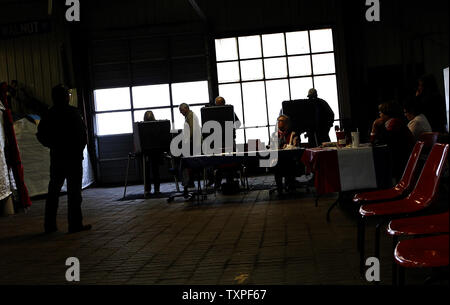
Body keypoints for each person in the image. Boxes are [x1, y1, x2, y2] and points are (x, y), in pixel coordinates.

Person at [36, 84, 91, 234]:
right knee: (74, 193)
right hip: (73, 158)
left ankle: (50, 226)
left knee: (53, 192)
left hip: (57, 157)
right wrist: (78, 150)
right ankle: (75, 225)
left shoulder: (49, 114)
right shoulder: (73, 113)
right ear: (66, 96)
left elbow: (40, 135)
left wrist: (53, 145)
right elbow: (82, 135)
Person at [371, 101, 416, 182]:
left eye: (380, 112)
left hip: (404, 158)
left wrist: (375, 126)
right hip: (401, 156)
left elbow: (386, 139)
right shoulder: (390, 122)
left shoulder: (394, 122)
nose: (379, 115)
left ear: (386, 113)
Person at [212, 96, 242, 189]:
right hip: (225, 140)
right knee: (223, 161)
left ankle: (222, 183)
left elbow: (237, 123)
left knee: (224, 162)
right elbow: (238, 123)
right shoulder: (230, 111)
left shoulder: (213, 112)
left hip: (223, 140)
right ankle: (227, 182)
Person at [272, 114, 300, 195]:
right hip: (278, 160)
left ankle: (291, 187)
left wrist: (286, 146)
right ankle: (279, 189)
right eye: (278, 121)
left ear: (286, 123)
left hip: (290, 160)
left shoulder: (293, 134)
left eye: (281, 121)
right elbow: (271, 147)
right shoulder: (275, 135)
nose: (279, 123)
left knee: (289, 165)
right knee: (277, 166)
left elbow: (296, 147)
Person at [179, 103, 201, 190]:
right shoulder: (189, 116)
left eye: (181, 110)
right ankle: (189, 182)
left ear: (186, 108)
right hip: (194, 143)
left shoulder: (190, 116)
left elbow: (192, 131)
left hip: (193, 144)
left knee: (187, 163)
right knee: (189, 163)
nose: (181, 112)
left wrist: (185, 141)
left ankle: (188, 182)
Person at [142, 111, 162, 197]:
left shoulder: (142, 126)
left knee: (148, 171)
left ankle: (148, 190)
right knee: (155, 171)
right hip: (154, 151)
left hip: (147, 151)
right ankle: (156, 189)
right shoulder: (156, 125)